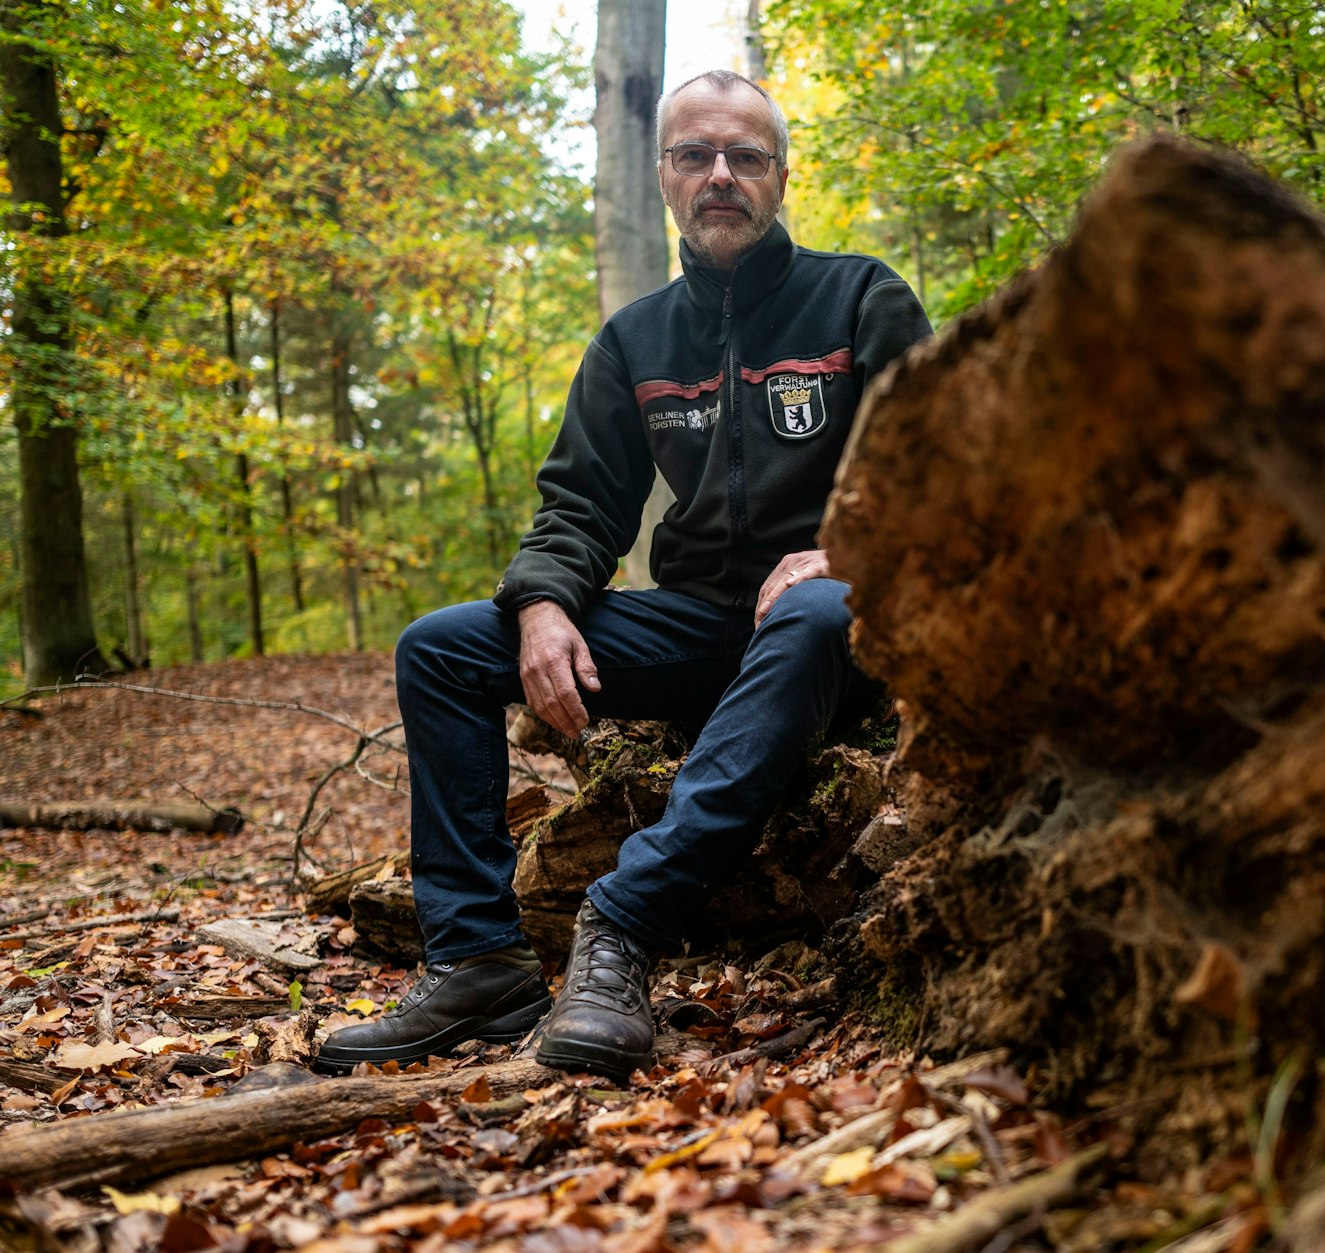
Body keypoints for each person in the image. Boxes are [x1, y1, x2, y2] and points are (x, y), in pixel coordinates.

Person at [313, 69, 931, 1081]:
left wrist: (851, 548)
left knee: (817, 609)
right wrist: (546, 602)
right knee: (441, 646)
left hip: (845, 625)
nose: (720, 175)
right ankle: (476, 959)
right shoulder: (634, 338)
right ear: (664, 176)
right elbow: (580, 503)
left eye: (745, 157)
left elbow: (939, 463)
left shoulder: (859, 296)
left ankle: (622, 917)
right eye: (695, 156)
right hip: (699, 624)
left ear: (780, 174)